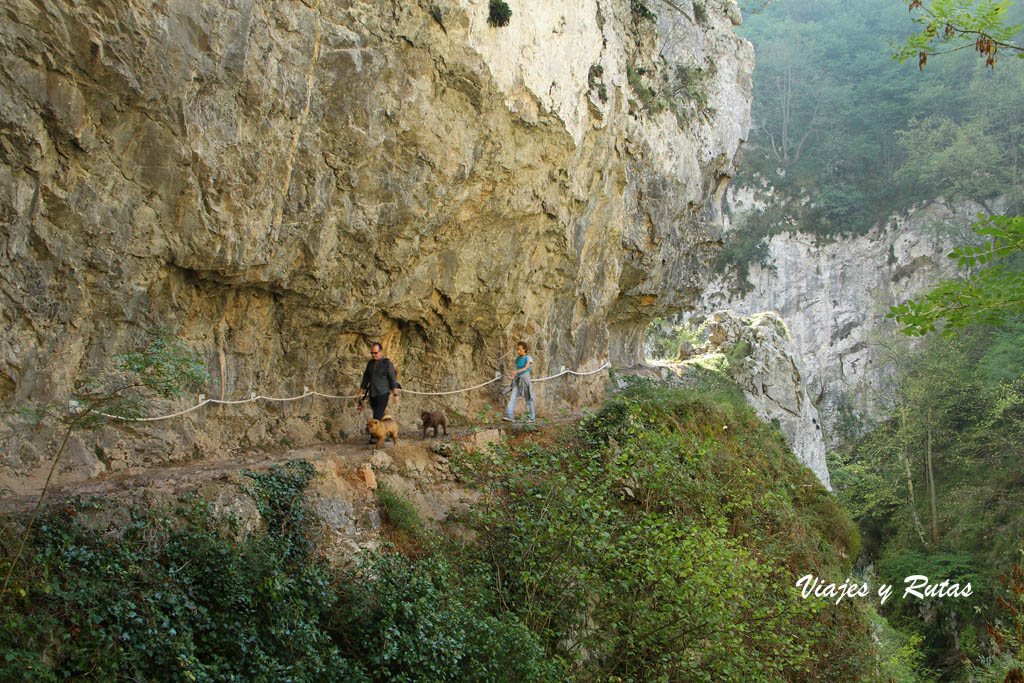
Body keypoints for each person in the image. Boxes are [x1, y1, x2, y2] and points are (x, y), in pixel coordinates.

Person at [360, 342, 399, 420]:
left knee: (376, 416)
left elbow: (392, 379)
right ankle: (385, 429)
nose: (374, 355)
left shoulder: (387, 363)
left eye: (375, 353)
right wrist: (361, 392)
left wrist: (395, 394)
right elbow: (366, 378)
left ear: (380, 352)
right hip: (372, 394)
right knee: (379, 415)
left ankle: (375, 432)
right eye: (372, 353)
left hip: (383, 394)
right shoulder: (370, 363)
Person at [502, 341, 535, 422]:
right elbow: (518, 368)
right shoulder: (517, 359)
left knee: (528, 399)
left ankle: (531, 417)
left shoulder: (528, 358)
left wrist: (516, 371)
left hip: (525, 379)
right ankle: (509, 415)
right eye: (517, 349)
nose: (518, 351)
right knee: (513, 397)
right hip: (517, 379)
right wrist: (516, 373)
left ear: (525, 350)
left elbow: (526, 368)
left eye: (520, 350)